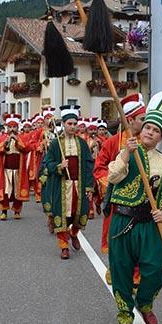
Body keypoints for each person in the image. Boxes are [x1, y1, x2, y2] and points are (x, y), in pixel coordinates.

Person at [106, 91, 162, 324]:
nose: (150, 132)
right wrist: (126, 154)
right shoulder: (128, 151)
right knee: (121, 270)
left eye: (155, 130)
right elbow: (112, 177)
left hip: (150, 224)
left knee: (153, 270)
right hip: (122, 220)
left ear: (161, 136)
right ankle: (125, 314)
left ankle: (145, 302)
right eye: (147, 127)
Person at [93, 93, 146, 286]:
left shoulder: (147, 141)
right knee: (117, 236)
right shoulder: (112, 143)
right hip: (118, 203)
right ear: (130, 120)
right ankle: (115, 268)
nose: (146, 122)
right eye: (142, 119)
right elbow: (99, 168)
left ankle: (136, 275)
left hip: (142, 201)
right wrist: (113, 187)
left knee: (139, 237)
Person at [40, 105, 94, 259]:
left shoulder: (82, 144)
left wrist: (89, 186)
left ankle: (74, 233)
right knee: (62, 214)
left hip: (79, 184)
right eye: (69, 124)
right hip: (62, 185)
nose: (73, 126)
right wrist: (58, 166)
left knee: (80, 213)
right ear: (63, 124)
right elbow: (47, 163)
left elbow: (90, 164)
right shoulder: (56, 144)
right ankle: (63, 246)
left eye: (75, 124)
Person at [0, 113, 30, 220]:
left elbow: (26, 148)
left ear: (17, 127)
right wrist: (6, 142)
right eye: (10, 127)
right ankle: (4, 211)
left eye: (14, 126)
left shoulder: (21, 137)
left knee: (17, 191)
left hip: (18, 170)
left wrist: (17, 140)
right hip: (6, 169)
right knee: (5, 191)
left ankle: (17, 210)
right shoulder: (3, 138)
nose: (12, 129)